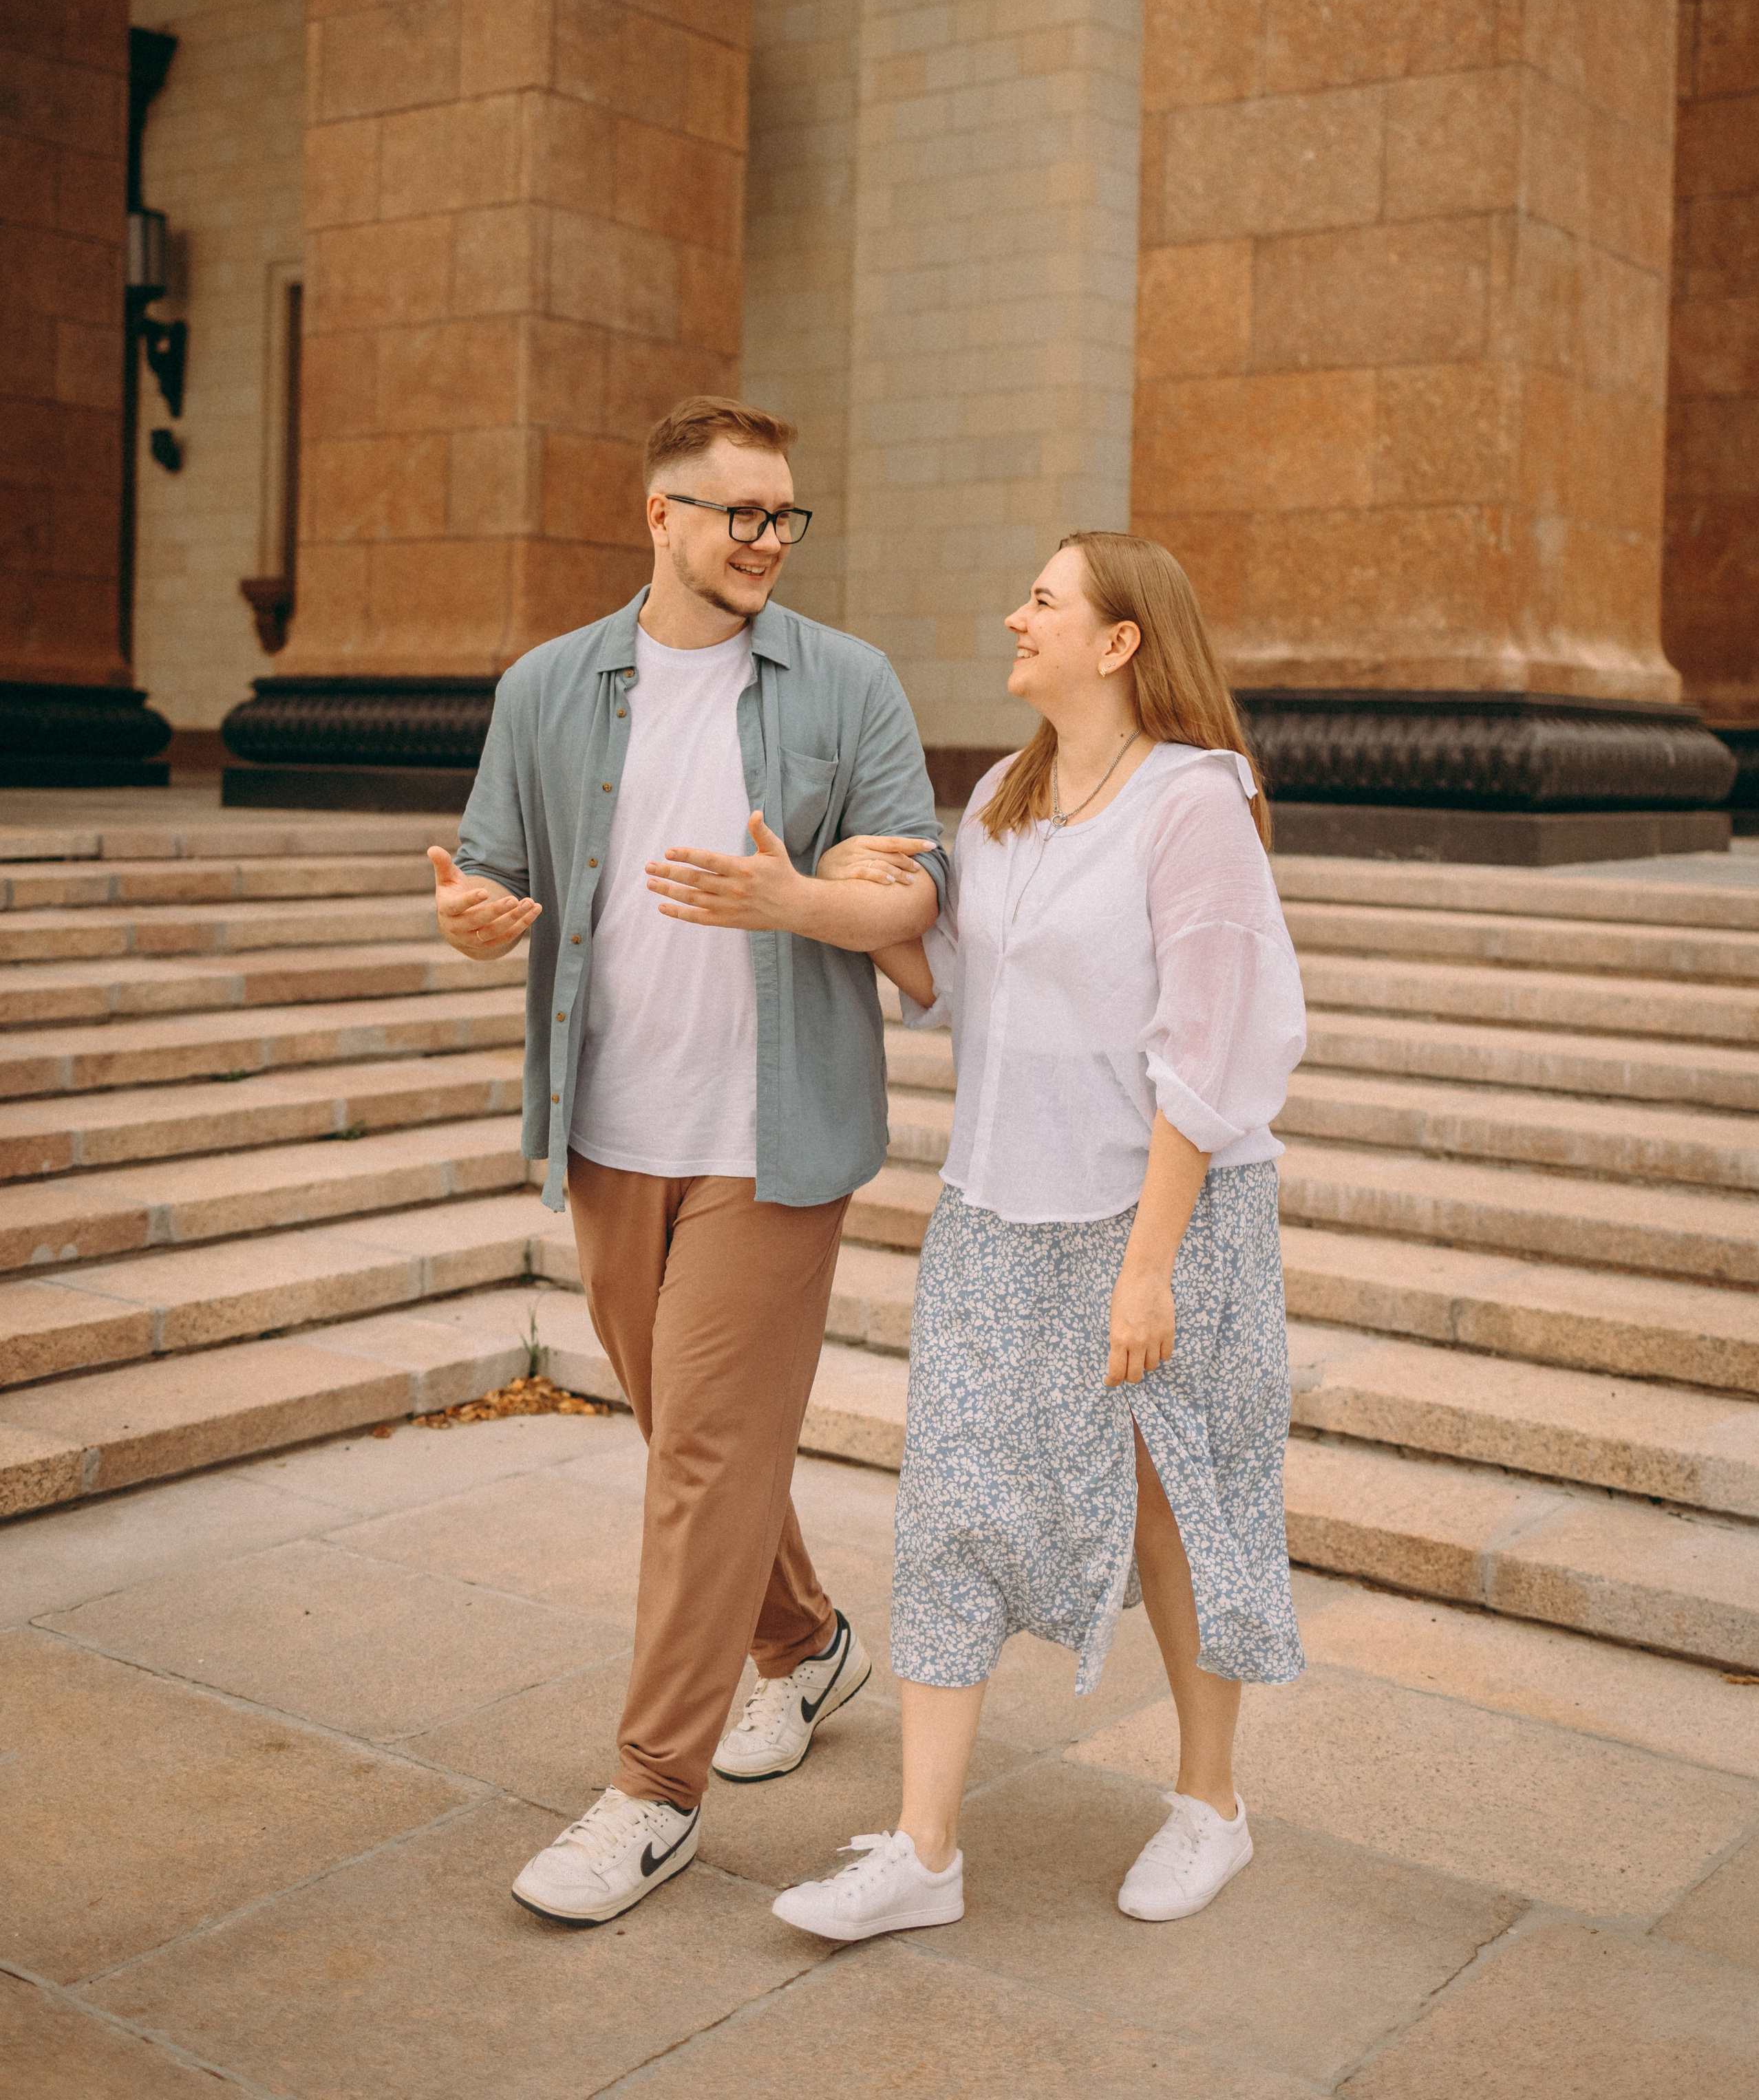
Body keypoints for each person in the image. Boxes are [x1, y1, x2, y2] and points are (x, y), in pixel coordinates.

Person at [426, 396, 946, 1929]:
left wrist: (805, 899)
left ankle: (652, 1792)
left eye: (785, 516)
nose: (767, 541)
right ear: (658, 516)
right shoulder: (545, 688)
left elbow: (912, 891)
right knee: (687, 1436)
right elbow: (491, 873)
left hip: (770, 1134)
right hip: (609, 1124)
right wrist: (469, 921)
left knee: (705, 1451)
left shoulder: (845, 683)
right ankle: (805, 1642)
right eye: (740, 515)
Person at [767, 530, 1308, 1943]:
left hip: (1162, 1220)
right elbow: (945, 979)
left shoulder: (1195, 802)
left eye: (1044, 602)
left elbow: (1211, 1044)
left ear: (1118, 640)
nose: (1014, 616)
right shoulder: (1001, 791)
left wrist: (1145, 1267)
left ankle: (1210, 1806)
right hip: (995, 1214)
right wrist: (826, 896)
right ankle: (921, 1850)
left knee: (1176, 1505)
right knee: (948, 1505)